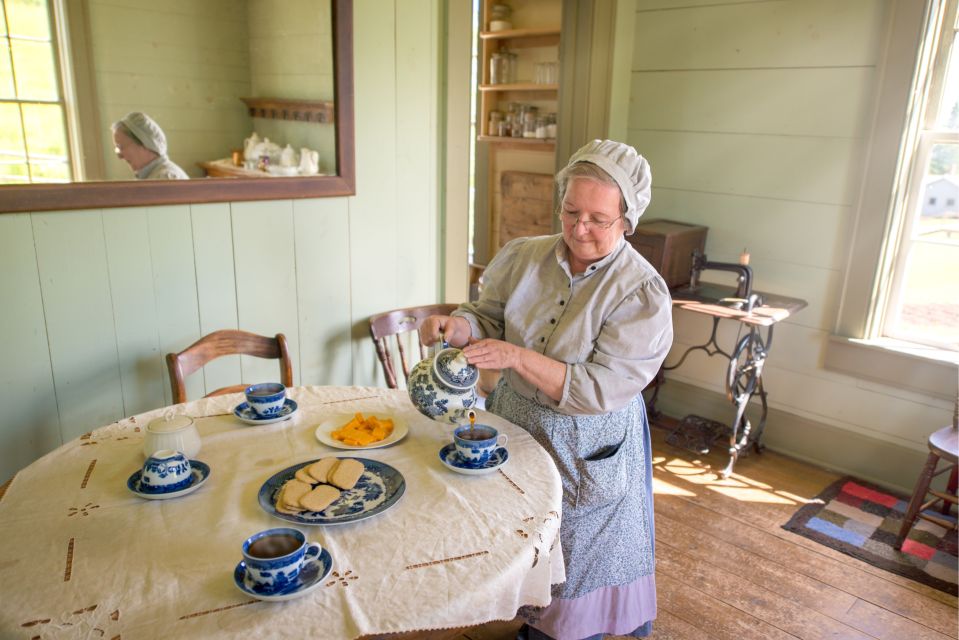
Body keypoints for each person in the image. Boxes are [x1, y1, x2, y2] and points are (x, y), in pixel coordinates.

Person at [419, 140, 673, 640]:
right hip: (516, 425)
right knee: (519, 538)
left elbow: (599, 387)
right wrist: (458, 327)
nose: (580, 228)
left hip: (586, 443)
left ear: (627, 219)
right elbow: (488, 315)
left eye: (598, 219)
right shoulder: (523, 256)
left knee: (578, 559)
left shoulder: (641, 293)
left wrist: (515, 357)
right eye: (571, 210)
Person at [111, 112, 189, 180]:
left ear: (144, 143)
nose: (119, 156)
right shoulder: (154, 176)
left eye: (121, 147)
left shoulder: (164, 178)